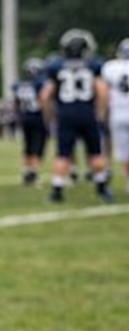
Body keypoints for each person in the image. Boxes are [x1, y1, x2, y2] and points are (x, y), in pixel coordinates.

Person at [40, 28, 113, 203]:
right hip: (87, 113)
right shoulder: (93, 65)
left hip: (65, 114)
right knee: (95, 152)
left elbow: (44, 95)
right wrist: (101, 113)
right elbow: (102, 91)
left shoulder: (56, 66)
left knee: (63, 153)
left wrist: (48, 115)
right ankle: (102, 187)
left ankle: (57, 190)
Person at [11, 57, 49, 186]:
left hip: (24, 117)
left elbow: (15, 103)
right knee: (38, 147)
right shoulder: (39, 83)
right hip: (37, 117)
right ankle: (33, 173)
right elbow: (44, 100)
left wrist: (17, 116)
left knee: (27, 146)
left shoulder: (18, 84)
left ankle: (27, 170)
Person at [100, 38, 129, 194]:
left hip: (117, 113)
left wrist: (103, 113)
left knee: (125, 151)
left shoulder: (110, 67)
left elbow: (104, 92)